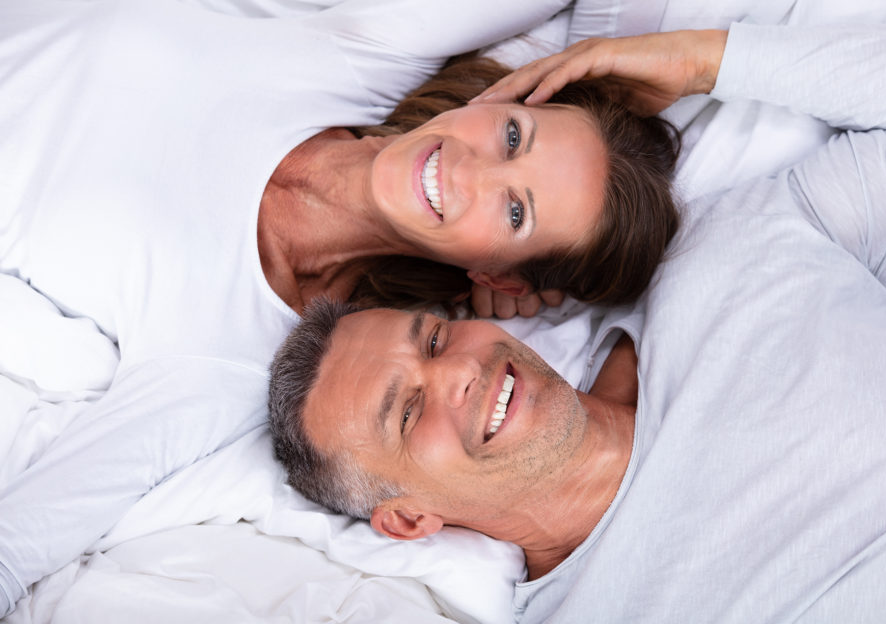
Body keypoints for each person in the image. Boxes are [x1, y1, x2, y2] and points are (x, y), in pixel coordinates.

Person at [268, 23, 886, 623]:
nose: (461, 371)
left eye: (435, 339)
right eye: (408, 411)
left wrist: (700, 60)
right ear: (408, 520)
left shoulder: (732, 259)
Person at [0, 0, 685, 615]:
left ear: (499, 280)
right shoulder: (361, 54)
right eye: (512, 138)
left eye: (514, 212)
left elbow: (16, 547)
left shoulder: (219, 359)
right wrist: (627, 69)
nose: (467, 169)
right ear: (499, 102)